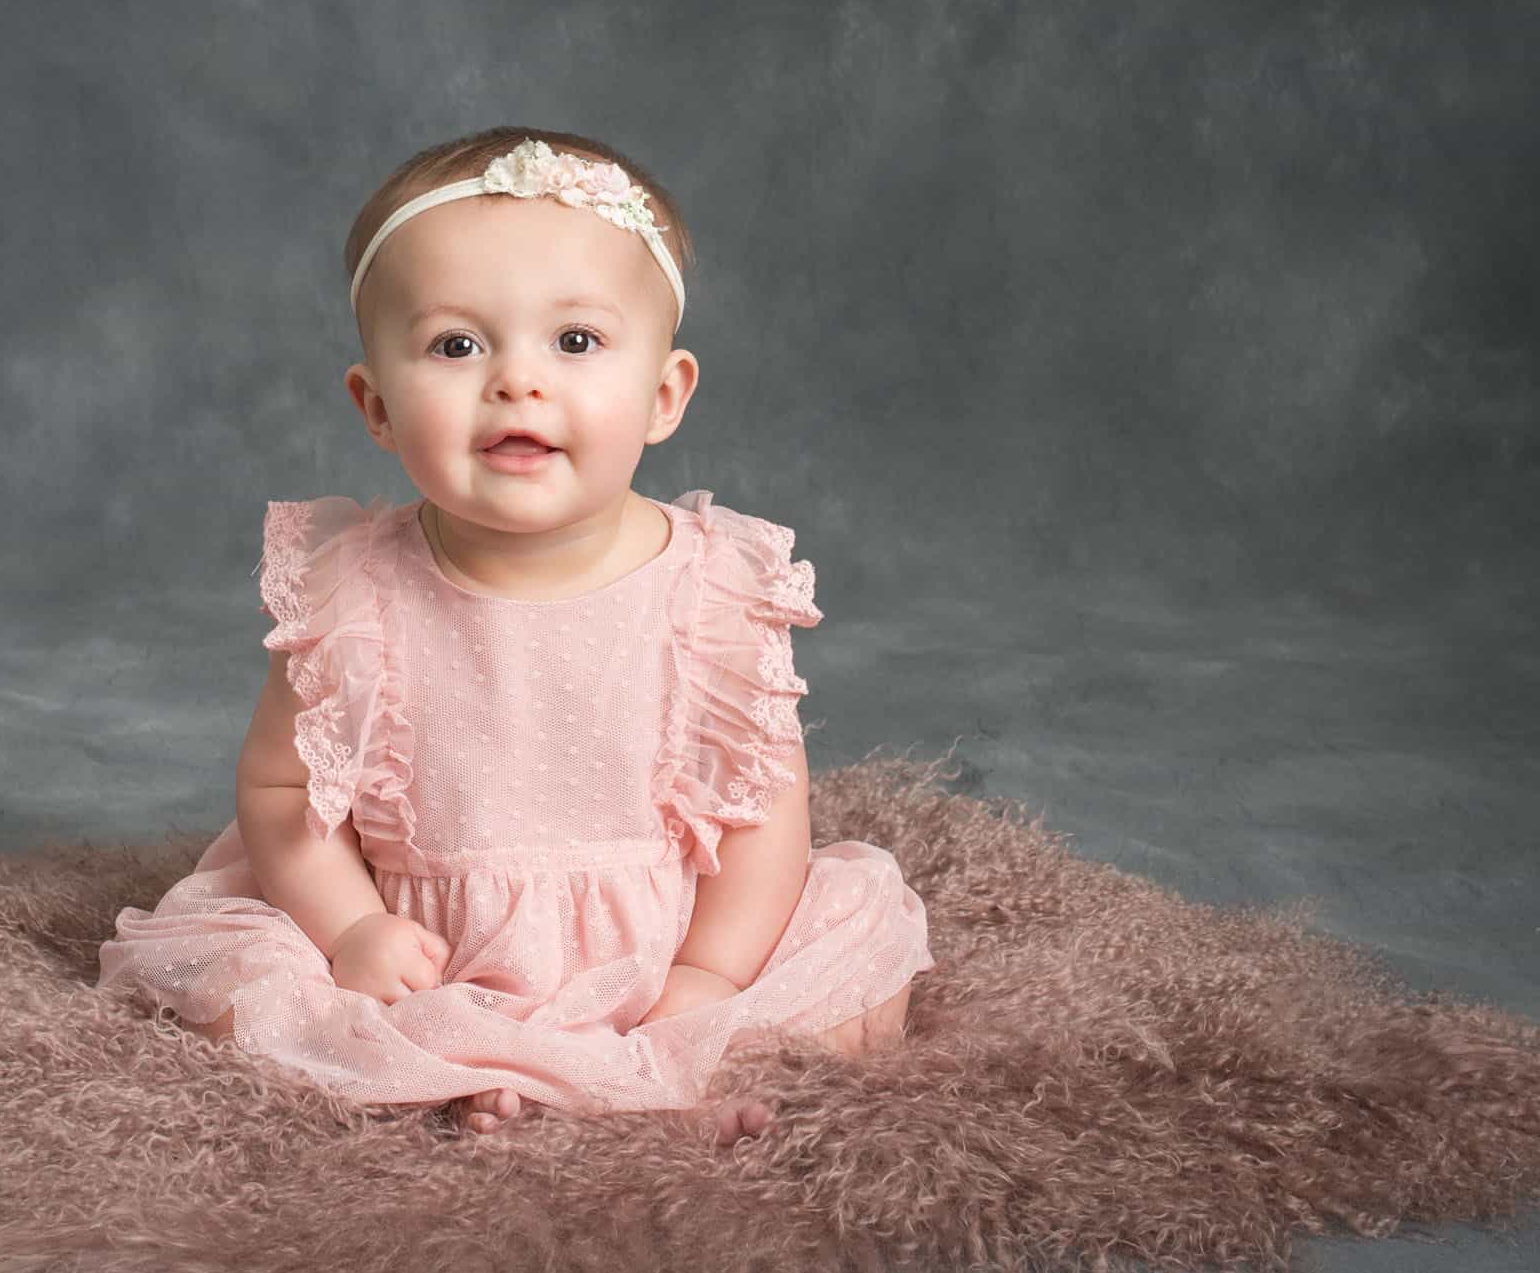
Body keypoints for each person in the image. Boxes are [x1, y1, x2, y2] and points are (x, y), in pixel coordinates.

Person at [97, 128, 935, 1145]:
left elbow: (762, 813)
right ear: (375, 407)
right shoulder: (352, 595)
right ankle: (467, 1061)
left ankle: (645, 1064)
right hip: (426, 949)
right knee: (254, 985)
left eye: (575, 341)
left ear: (663, 395)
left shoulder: (715, 590)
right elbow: (281, 790)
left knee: (847, 950)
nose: (516, 382)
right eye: (457, 346)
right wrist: (353, 927)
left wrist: (709, 978)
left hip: (665, 949)